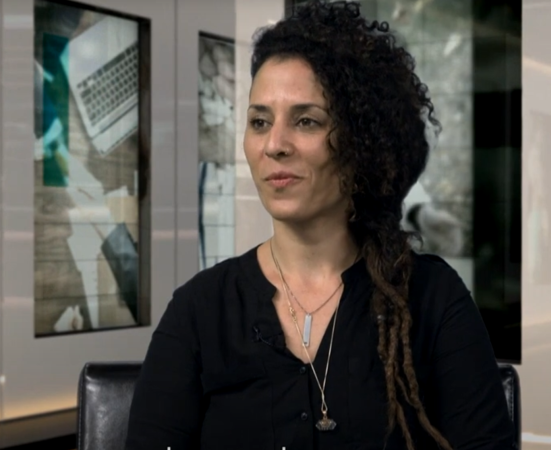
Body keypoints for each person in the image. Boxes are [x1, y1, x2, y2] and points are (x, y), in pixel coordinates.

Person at [124, 2, 515, 449]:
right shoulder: (199, 310)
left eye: (306, 121)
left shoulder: (432, 299)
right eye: (259, 122)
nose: (274, 144)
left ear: (362, 143)